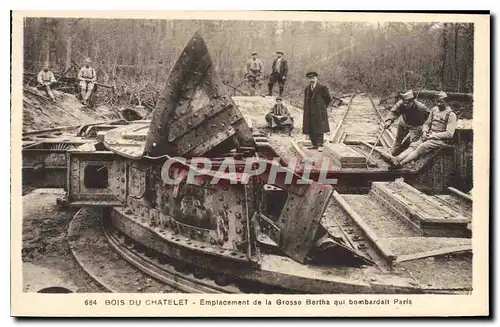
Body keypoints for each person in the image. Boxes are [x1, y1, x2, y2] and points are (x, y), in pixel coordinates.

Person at [388, 91, 457, 168]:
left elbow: (449, 134)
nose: (439, 104)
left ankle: (400, 164)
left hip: (440, 140)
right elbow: (427, 123)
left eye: (441, 102)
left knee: (422, 147)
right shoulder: (434, 110)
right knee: (414, 145)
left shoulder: (451, 115)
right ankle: (397, 159)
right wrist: (424, 131)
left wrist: (433, 135)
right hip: (429, 135)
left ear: (446, 101)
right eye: (437, 102)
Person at [383, 90, 430, 156]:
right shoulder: (401, 103)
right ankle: (393, 153)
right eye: (404, 103)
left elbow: (429, 118)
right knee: (398, 138)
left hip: (416, 126)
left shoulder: (421, 107)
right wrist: (389, 121)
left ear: (412, 101)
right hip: (403, 122)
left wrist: (425, 127)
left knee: (413, 143)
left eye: (407, 103)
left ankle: (406, 157)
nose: (405, 105)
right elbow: (393, 112)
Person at [302, 72, 332, 152]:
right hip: (309, 111)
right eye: (310, 78)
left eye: (313, 78)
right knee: (311, 128)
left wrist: (322, 107)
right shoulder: (307, 89)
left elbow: (328, 99)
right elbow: (306, 100)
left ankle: (320, 145)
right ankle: (314, 144)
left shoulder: (322, 88)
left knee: (319, 128)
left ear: (316, 78)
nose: (311, 80)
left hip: (319, 111)